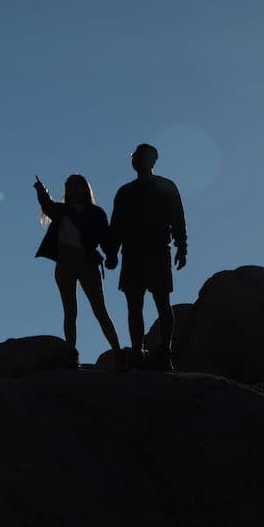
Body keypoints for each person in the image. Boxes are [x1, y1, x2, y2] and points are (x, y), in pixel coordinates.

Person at [105, 144, 187, 371]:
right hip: (132, 253)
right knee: (134, 304)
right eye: (135, 157)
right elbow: (117, 225)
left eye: (140, 157)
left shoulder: (166, 186)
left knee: (162, 301)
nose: (136, 160)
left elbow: (178, 219)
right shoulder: (125, 192)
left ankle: (164, 350)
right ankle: (137, 350)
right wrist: (112, 252)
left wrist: (182, 246)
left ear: (152, 161)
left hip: (158, 250)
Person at [34, 174, 124, 369]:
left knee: (100, 310)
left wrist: (111, 255)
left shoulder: (95, 213)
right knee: (70, 311)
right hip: (65, 263)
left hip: (87, 263)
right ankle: (71, 357)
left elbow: (106, 239)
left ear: (85, 188)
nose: (73, 188)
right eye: (70, 185)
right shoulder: (61, 210)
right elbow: (48, 206)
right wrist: (41, 191)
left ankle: (118, 354)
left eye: (77, 184)